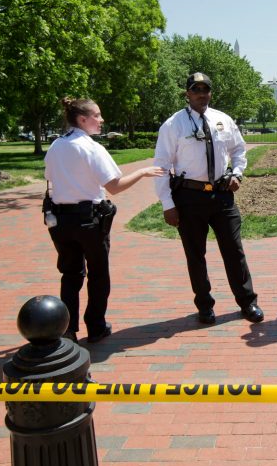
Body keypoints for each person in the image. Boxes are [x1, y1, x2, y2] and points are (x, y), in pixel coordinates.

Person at [45, 97, 165, 343]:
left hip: (59, 221)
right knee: (98, 274)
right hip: (88, 221)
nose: (102, 120)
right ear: (82, 119)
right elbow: (114, 186)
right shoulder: (91, 147)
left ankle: (68, 329)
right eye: (97, 116)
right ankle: (96, 326)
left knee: (70, 274)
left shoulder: (56, 145)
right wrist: (143, 172)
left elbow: (50, 178)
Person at [154, 72, 264, 325]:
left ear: (210, 92)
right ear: (187, 94)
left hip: (222, 195)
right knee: (195, 254)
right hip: (189, 197)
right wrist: (167, 204)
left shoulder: (222, 120)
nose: (201, 94)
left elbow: (239, 150)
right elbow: (161, 165)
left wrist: (237, 174)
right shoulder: (173, 125)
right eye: (196, 89)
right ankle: (204, 305)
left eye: (205, 89)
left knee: (234, 251)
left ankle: (248, 302)